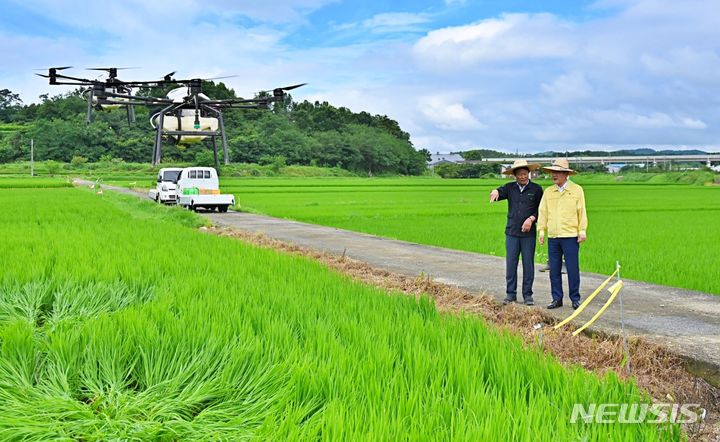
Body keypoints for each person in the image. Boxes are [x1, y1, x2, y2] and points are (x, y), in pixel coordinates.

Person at [490, 159, 543, 306]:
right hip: (512, 232)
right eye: (519, 174)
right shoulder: (510, 188)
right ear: (514, 175)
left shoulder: (536, 189)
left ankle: (527, 295)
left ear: (529, 173)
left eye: (525, 174)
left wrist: (532, 219)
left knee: (528, 264)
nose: (522, 177)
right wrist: (494, 191)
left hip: (528, 234)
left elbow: (542, 210)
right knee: (511, 264)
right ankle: (510, 294)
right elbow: (499, 192)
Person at [536, 159, 588, 310]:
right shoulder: (548, 192)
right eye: (553, 172)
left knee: (572, 269)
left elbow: (581, 211)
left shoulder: (577, 190)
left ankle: (575, 298)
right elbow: (543, 212)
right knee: (554, 270)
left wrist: (582, 230)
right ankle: (556, 298)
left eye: (557, 172)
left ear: (566, 174)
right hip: (553, 236)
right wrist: (541, 230)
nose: (554, 175)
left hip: (570, 235)